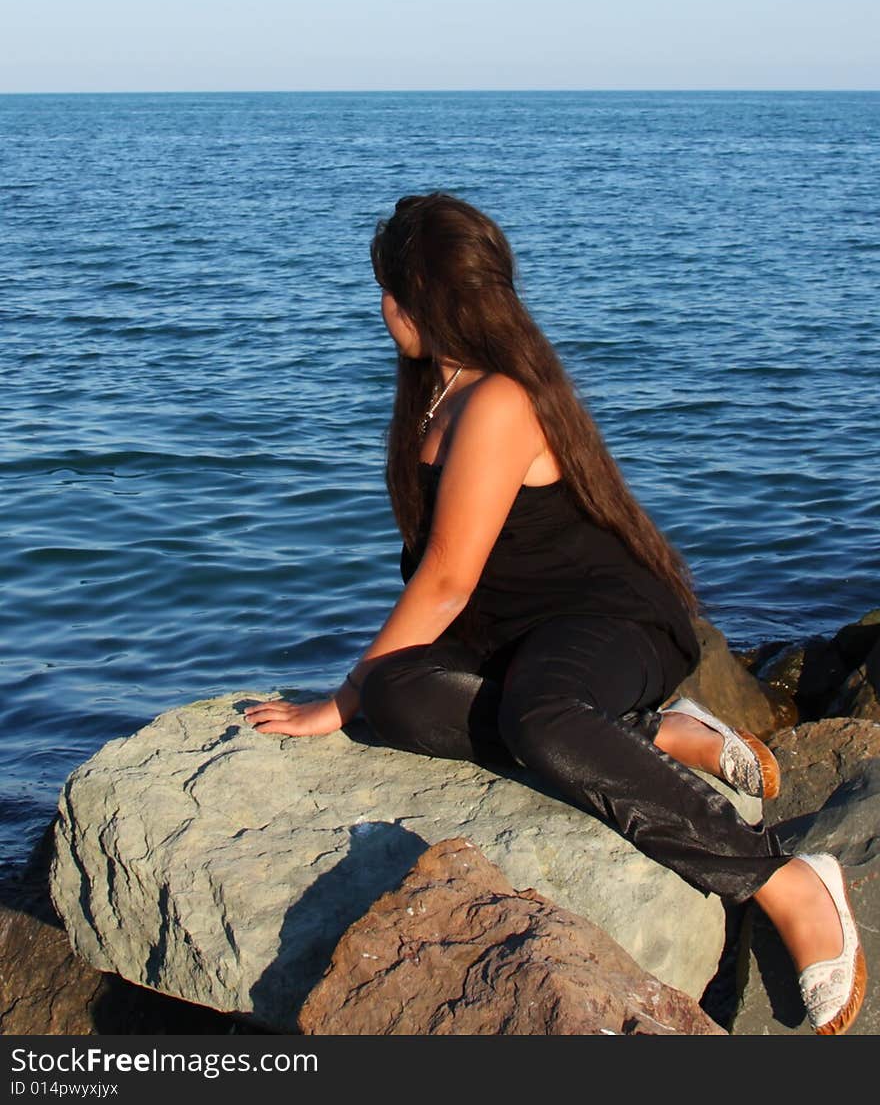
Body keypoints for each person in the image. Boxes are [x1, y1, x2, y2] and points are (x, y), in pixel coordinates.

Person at [245, 192, 866, 1035]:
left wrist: (338, 696)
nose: (382, 310)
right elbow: (448, 589)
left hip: (610, 620)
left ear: (420, 300)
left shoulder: (498, 399)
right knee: (397, 698)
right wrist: (369, 692)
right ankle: (644, 733)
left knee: (531, 716)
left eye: (389, 292)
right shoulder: (437, 391)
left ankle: (784, 880)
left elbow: (446, 580)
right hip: (515, 635)